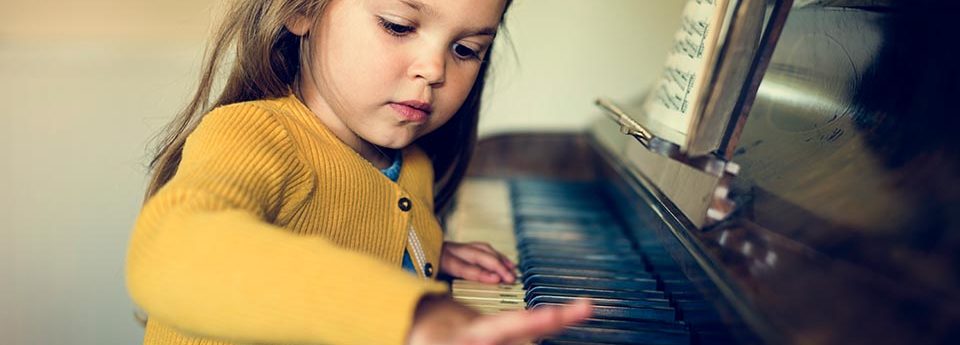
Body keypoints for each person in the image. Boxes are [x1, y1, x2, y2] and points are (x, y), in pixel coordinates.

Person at [125, 0, 592, 344]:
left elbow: (343, 219)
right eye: (398, 25)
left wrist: (422, 245)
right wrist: (416, 315)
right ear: (303, 10)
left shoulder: (413, 165)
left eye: (466, 49)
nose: (434, 69)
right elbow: (172, 249)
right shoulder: (257, 133)